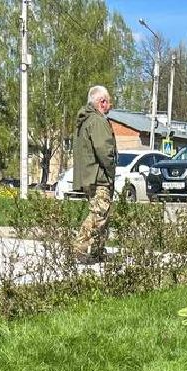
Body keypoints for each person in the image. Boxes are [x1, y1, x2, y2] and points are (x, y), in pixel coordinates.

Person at [71, 85, 117, 263]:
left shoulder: (86, 120)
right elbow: (104, 151)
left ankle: (97, 251)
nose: (111, 105)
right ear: (102, 102)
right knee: (99, 214)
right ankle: (79, 249)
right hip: (99, 178)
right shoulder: (97, 121)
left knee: (103, 215)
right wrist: (111, 171)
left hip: (91, 176)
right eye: (109, 101)